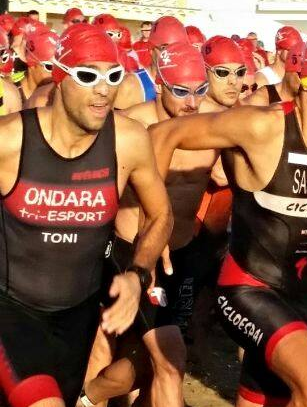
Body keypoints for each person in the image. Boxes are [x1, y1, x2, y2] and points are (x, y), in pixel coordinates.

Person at [148, 29, 307, 406]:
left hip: (301, 297)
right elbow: (161, 135)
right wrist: (156, 223)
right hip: (247, 287)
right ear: (305, 84)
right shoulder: (261, 126)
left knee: (269, 399)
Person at [0, 23, 172, 407]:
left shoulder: (128, 140)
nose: (104, 89)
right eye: (88, 76)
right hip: (10, 313)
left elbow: (161, 214)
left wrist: (138, 273)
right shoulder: (9, 139)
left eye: (113, 76)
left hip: (76, 319)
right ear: (60, 77)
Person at [80, 41, 211, 407]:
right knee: (161, 358)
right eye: (181, 91)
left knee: (142, 361)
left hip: (179, 259)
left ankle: (86, 398)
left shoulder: (210, 128)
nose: (192, 102)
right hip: (129, 255)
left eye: (200, 90)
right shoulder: (129, 126)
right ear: (159, 83)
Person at [201, 35, 248, 112]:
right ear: (204, 74)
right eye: (222, 72)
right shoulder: (191, 115)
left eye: (240, 72)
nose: (233, 81)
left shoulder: (244, 109)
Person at [19, 29, 57, 101]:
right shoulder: (8, 96)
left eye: (60, 68)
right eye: (50, 67)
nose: (56, 74)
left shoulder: (57, 99)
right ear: (31, 65)